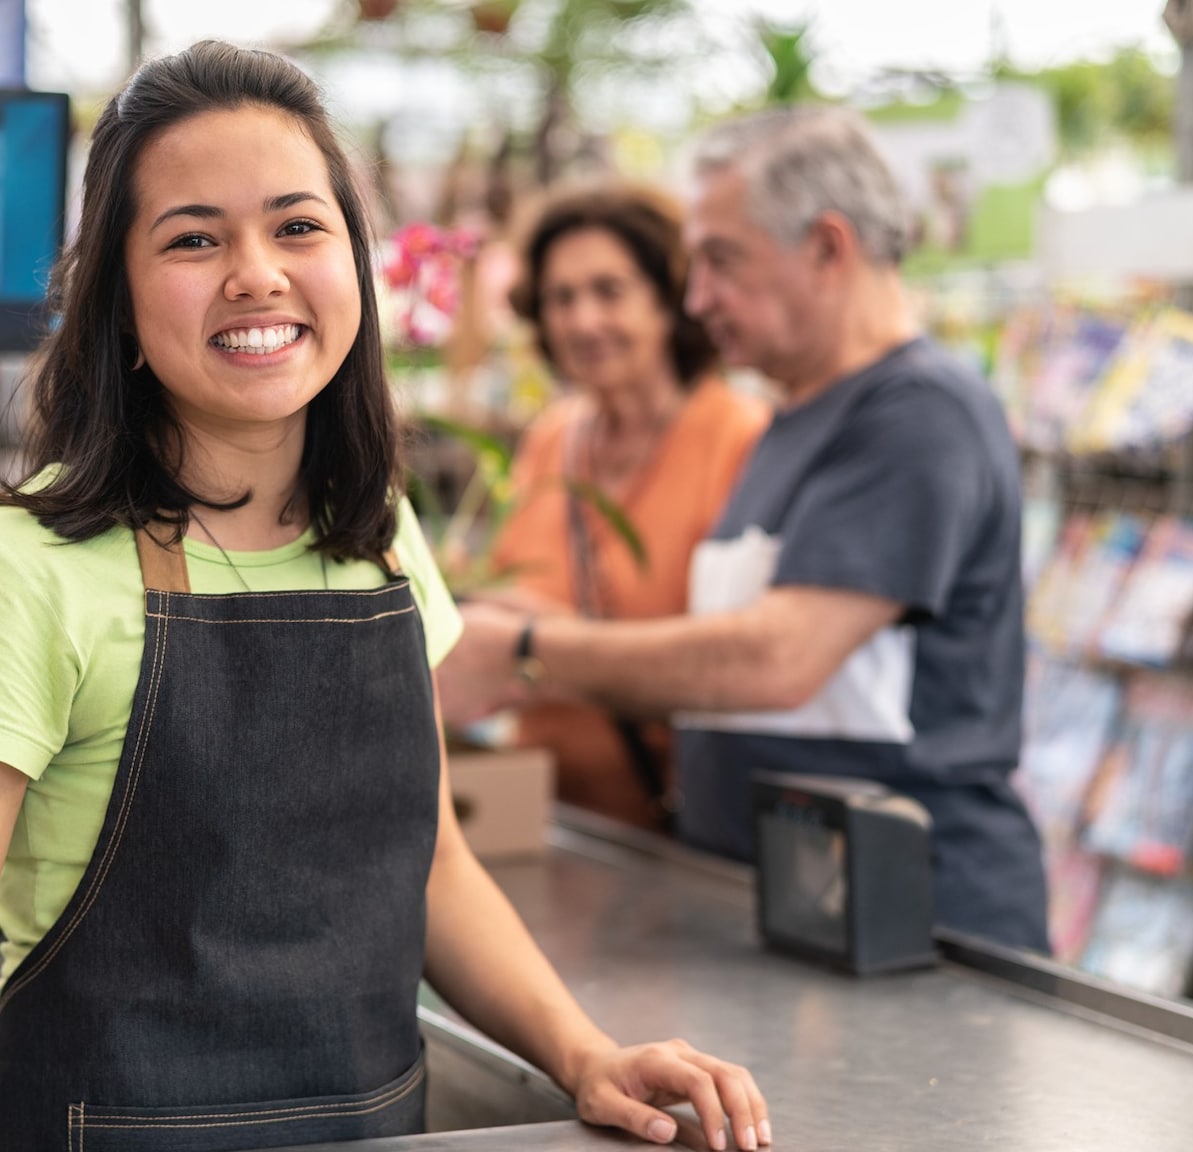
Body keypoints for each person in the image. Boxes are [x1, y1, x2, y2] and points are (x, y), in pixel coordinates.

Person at [0, 41, 768, 1152]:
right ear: (117, 298)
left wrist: (583, 1053)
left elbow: (431, 867)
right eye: (193, 238)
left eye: (296, 226)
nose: (255, 274)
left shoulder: (372, 531)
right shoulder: (10, 570)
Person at [440, 106, 1050, 954]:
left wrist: (525, 652)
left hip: (915, 931)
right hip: (781, 910)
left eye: (722, 262)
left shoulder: (918, 416)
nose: (697, 300)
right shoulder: (794, 421)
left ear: (829, 248)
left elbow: (778, 656)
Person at [463, 184, 767, 831]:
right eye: (560, 298)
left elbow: (746, 660)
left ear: (668, 301)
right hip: (542, 815)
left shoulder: (739, 440)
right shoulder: (552, 440)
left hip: (678, 830)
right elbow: (506, 589)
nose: (582, 321)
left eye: (609, 291)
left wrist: (544, 643)